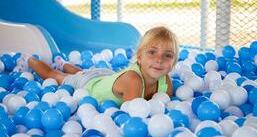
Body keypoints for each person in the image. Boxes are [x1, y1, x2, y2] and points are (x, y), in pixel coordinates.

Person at [21, 26, 179, 106]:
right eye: (152, 52)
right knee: (55, 76)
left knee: (82, 72)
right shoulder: (133, 80)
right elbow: (133, 115)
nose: (159, 60)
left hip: (106, 76)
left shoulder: (165, 82)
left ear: (174, 63)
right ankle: (29, 59)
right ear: (139, 57)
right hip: (89, 85)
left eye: (168, 55)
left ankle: (63, 63)